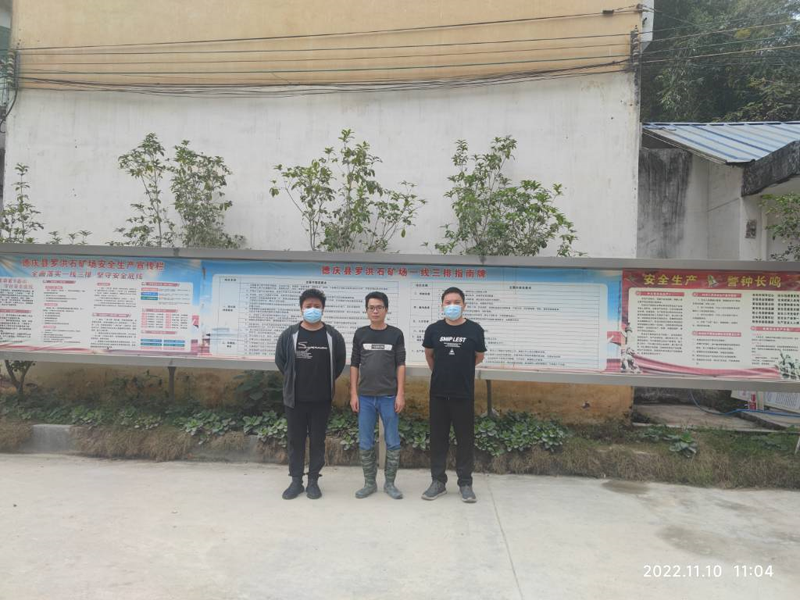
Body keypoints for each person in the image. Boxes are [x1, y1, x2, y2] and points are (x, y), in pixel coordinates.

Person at [275, 288, 346, 500]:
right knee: (295, 441)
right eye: (308, 306)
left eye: (316, 306)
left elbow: (339, 363)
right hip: (295, 400)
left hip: (321, 400)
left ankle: (313, 480)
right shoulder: (290, 335)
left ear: (323, 309)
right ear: (301, 309)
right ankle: (296, 481)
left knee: (318, 441)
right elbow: (281, 361)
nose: (312, 309)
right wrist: (292, 381)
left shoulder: (333, 336)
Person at [421, 287, 486, 503]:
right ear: (442, 305)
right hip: (438, 393)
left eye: (456, 302)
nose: (452, 306)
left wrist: (460, 371)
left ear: (464, 305)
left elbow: (478, 357)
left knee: (465, 439)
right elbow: (430, 356)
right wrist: (443, 372)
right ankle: (438, 481)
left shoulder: (475, 330)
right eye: (448, 302)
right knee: (438, 439)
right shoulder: (433, 329)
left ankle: (465, 483)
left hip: (463, 394)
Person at [350, 291, 406, 500]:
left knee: (392, 441)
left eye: (379, 307)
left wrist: (400, 394)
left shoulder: (395, 334)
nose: (375, 311)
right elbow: (354, 365)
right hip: (364, 397)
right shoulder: (360, 334)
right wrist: (353, 393)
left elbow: (400, 365)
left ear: (386, 309)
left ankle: (390, 484)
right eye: (371, 307)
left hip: (389, 396)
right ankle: (369, 483)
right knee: (365, 441)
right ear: (366, 310)